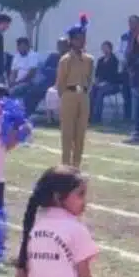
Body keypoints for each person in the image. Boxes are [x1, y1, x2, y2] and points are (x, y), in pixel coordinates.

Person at [56, 17, 94, 168]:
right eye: (78, 39)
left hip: (83, 96)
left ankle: (76, 166)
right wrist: (65, 96)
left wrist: (84, 93)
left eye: (83, 38)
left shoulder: (89, 59)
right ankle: (65, 165)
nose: (82, 41)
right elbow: (60, 82)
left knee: (80, 134)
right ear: (71, 41)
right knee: (67, 133)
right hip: (69, 95)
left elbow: (90, 78)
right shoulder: (65, 60)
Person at [90, 41, 121, 124]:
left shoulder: (114, 60)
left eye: (106, 47)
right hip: (101, 83)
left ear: (110, 49)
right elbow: (97, 74)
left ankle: (97, 118)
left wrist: (104, 82)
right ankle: (90, 116)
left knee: (100, 91)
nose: (104, 49)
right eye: (103, 48)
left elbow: (114, 76)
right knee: (92, 90)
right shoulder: (100, 60)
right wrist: (96, 82)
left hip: (112, 84)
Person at [118, 15, 139, 119]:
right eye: (130, 22)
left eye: (135, 22)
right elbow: (120, 51)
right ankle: (127, 116)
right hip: (126, 67)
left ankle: (136, 117)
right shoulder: (124, 36)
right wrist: (124, 61)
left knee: (136, 93)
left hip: (137, 69)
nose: (132, 25)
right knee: (126, 92)